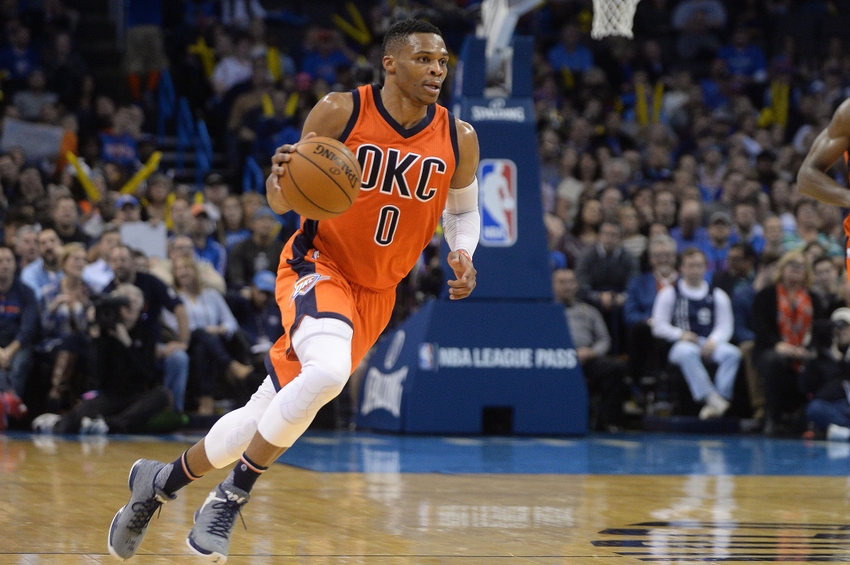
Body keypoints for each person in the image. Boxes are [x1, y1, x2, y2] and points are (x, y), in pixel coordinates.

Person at [107, 19, 479, 563]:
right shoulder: (340, 110)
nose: (437, 71)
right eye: (425, 59)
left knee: (262, 417)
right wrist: (279, 178)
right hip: (317, 264)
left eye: (443, 62)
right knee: (326, 374)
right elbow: (283, 201)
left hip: (377, 294)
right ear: (391, 63)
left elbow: (464, 213)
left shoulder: (458, 136)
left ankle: (158, 484)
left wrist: (464, 251)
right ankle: (232, 495)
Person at [31, 284, 171, 434]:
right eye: (126, 302)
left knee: (161, 395)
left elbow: (147, 375)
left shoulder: (146, 334)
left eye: (135, 302)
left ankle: (109, 425)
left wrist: (127, 344)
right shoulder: (105, 333)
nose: (130, 307)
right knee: (78, 416)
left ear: (141, 307)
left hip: (136, 395)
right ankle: (58, 422)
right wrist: (96, 339)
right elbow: (97, 375)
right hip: (109, 395)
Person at [651, 247, 741, 419]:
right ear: (681, 268)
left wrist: (714, 341)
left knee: (733, 354)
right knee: (688, 352)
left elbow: (725, 325)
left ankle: (719, 399)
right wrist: (680, 334)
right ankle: (711, 397)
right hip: (680, 346)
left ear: (705, 268)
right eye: (690, 266)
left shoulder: (717, 295)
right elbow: (658, 325)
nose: (694, 270)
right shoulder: (669, 293)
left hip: (708, 342)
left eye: (699, 266)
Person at [172, 256, 252, 415]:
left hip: (213, 343)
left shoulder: (212, 295)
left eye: (186, 268)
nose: (183, 272)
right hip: (188, 342)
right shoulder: (173, 298)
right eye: (179, 269)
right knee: (200, 334)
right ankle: (231, 366)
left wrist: (220, 329)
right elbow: (174, 326)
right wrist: (203, 330)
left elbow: (231, 322)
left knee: (204, 347)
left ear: (195, 272)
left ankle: (206, 402)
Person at [553, 268, 627, 431]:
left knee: (616, 368)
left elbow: (604, 339)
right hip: (554, 359)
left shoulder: (588, 311)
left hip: (586, 358)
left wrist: (592, 352)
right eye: (562, 282)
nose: (567, 286)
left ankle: (605, 421)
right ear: (552, 285)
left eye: (570, 282)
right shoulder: (545, 311)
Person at [39, 242, 93, 411]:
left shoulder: (89, 292)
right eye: (75, 259)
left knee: (75, 340)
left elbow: (90, 329)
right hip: (54, 343)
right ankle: (67, 398)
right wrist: (54, 307)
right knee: (70, 341)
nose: (80, 263)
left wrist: (86, 307)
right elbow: (42, 329)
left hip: (82, 343)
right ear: (64, 262)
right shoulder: (50, 291)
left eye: (83, 260)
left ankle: (56, 393)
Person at [0, 245, 38, 428]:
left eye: (8, 261)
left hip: (18, 344)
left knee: (20, 363)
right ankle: (11, 403)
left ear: (15, 265)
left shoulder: (26, 291)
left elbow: (28, 327)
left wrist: (9, 351)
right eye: (0, 261)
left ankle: (6, 405)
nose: (5, 265)